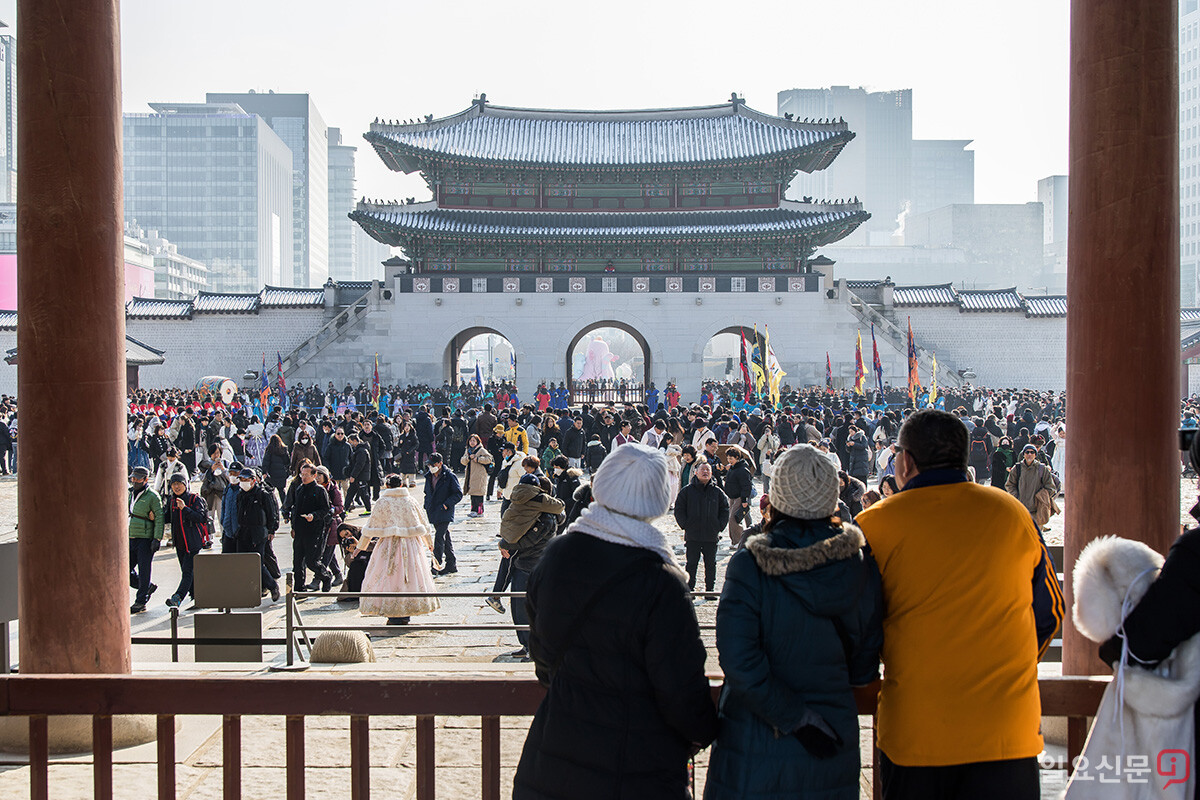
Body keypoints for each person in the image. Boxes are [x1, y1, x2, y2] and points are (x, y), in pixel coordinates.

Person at [854, 409, 1064, 799]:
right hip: (1007, 730)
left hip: (916, 730)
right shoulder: (1013, 514)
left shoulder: (874, 524)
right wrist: (1010, 664)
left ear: (905, 461)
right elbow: (1051, 612)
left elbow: (859, 626)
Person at [513, 443, 719, 799]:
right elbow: (680, 688)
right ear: (658, 499)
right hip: (637, 767)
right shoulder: (662, 580)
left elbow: (543, 657)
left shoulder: (557, 555)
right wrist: (706, 729)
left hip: (554, 754)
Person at [705, 444, 883, 799]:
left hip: (755, 734)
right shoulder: (860, 563)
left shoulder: (748, 564)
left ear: (778, 495)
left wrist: (793, 717)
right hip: (831, 731)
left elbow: (738, 658)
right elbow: (865, 663)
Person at [354, 474, 441, 625]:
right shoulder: (411, 501)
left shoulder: (382, 502)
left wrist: (359, 548)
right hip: (410, 544)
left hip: (389, 544)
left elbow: (369, 529)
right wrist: (429, 543)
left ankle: (393, 612)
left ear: (387, 486)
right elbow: (424, 524)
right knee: (410, 577)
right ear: (401, 485)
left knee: (389, 576)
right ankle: (406, 611)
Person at [499, 474, 566, 658]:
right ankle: (526, 645)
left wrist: (507, 544)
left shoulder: (547, 518)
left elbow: (531, 541)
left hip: (535, 566)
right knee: (518, 608)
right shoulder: (531, 511)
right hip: (522, 565)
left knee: (533, 609)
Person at [673, 460, 729, 598]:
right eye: (703, 470)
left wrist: (719, 525)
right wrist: (685, 524)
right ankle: (690, 589)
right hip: (693, 535)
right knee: (691, 563)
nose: (705, 472)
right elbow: (679, 509)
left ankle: (710, 590)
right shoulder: (687, 491)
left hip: (711, 534)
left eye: (708, 470)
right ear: (696, 472)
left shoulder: (717, 491)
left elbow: (725, 509)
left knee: (711, 564)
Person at [233, 468, 281, 602]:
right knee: (242, 562)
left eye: (246, 480)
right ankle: (250, 589)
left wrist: (271, 530)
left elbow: (271, 513)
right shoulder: (240, 495)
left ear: (254, 480)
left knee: (257, 563)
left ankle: (272, 586)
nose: (243, 483)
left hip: (258, 533)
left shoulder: (262, 494)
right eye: (241, 480)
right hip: (243, 532)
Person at [164, 473, 209, 609]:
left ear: (185, 484)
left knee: (187, 571)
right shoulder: (172, 501)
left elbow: (201, 517)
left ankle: (177, 597)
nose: (176, 487)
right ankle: (196, 596)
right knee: (188, 571)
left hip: (192, 542)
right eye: (173, 484)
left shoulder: (193, 499)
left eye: (179, 484)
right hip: (179, 543)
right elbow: (167, 518)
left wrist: (185, 509)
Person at [289, 461, 334, 592]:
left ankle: (325, 576)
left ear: (314, 476)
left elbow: (326, 510)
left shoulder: (319, 490)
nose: (303, 477)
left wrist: (314, 516)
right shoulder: (299, 489)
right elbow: (295, 509)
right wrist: (293, 527)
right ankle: (299, 588)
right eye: (302, 474)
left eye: (306, 475)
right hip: (300, 530)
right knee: (297, 562)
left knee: (311, 561)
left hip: (314, 531)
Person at [128, 465, 164, 613]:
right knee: (126, 570)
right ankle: (145, 586)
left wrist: (157, 538)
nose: (134, 480)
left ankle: (141, 601)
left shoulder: (153, 496)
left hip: (145, 538)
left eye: (137, 478)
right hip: (131, 536)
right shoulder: (130, 494)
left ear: (145, 479)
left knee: (144, 570)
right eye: (133, 478)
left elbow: (159, 518)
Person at [424, 453, 463, 576]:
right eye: (430, 465)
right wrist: (427, 504)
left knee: (439, 537)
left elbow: (458, 494)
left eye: (433, 464)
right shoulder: (429, 476)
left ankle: (436, 564)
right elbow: (427, 492)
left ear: (440, 463)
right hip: (433, 510)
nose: (431, 467)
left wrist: (446, 504)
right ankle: (451, 564)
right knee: (445, 537)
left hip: (445, 510)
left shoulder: (449, 476)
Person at [1005, 443, 1059, 530]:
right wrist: (1016, 496)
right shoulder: (1017, 468)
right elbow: (1009, 485)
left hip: (1037, 510)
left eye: (1032, 452)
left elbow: (1051, 487)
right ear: (1024, 454)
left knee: (1036, 536)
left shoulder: (1042, 469)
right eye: (1027, 452)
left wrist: (1042, 498)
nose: (1029, 454)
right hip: (1021, 508)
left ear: (1035, 454)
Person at [723, 446, 754, 545]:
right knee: (733, 518)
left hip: (739, 497)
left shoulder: (742, 469)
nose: (729, 460)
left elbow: (746, 486)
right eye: (728, 458)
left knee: (734, 519)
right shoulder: (732, 468)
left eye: (731, 458)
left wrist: (744, 500)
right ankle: (734, 541)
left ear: (737, 457)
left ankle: (739, 541)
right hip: (731, 496)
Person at [460, 433, 493, 517]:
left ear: (477, 442)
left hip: (479, 474)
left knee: (478, 493)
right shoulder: (467, 450)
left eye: (474, 441)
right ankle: (473, 510)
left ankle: (479, 510)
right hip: (471, 474)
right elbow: (462, 461)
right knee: (472, 493)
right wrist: (468, 458)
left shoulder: (481, 450)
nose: (472, 442)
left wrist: (478, 459)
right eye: (471, 441)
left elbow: (489, 459)